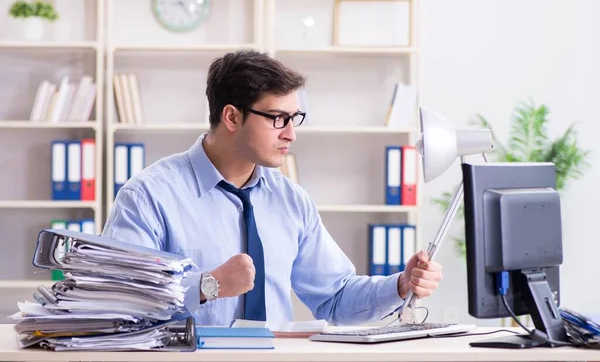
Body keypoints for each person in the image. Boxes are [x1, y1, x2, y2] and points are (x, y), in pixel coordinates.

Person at [102, 49, 443, 326]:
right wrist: (209, 285)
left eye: (295, 119)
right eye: (277, 118)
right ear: (232, 117)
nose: (290, 133)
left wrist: (399, 286)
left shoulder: (290, 199)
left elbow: (335, 297)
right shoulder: (148, 196)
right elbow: (118, 302)